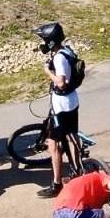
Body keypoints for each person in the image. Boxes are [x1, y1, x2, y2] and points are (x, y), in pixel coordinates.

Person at [34, 22, 82, 199]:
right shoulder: (67, 51)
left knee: (53, 145)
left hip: (61, 106)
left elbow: (61, 82)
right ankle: (77, 170)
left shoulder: (59, 58)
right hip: (72, 101)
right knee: (72, 137)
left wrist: (48, 71)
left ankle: (56, 184)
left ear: (50, 41)